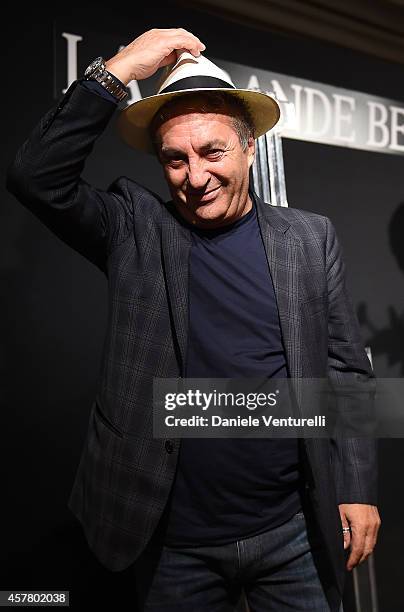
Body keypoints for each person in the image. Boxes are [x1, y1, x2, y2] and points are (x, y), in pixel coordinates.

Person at [6, 27, 380, 612]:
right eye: (175, 159)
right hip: (171, 541)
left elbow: (346, 371)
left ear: (250, 145)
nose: (195, 177)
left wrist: (356, 486)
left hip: (293, 532)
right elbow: (35, 177)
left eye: (213, 152)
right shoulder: (134, 227)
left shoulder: (310, 237)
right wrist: (121, 68)